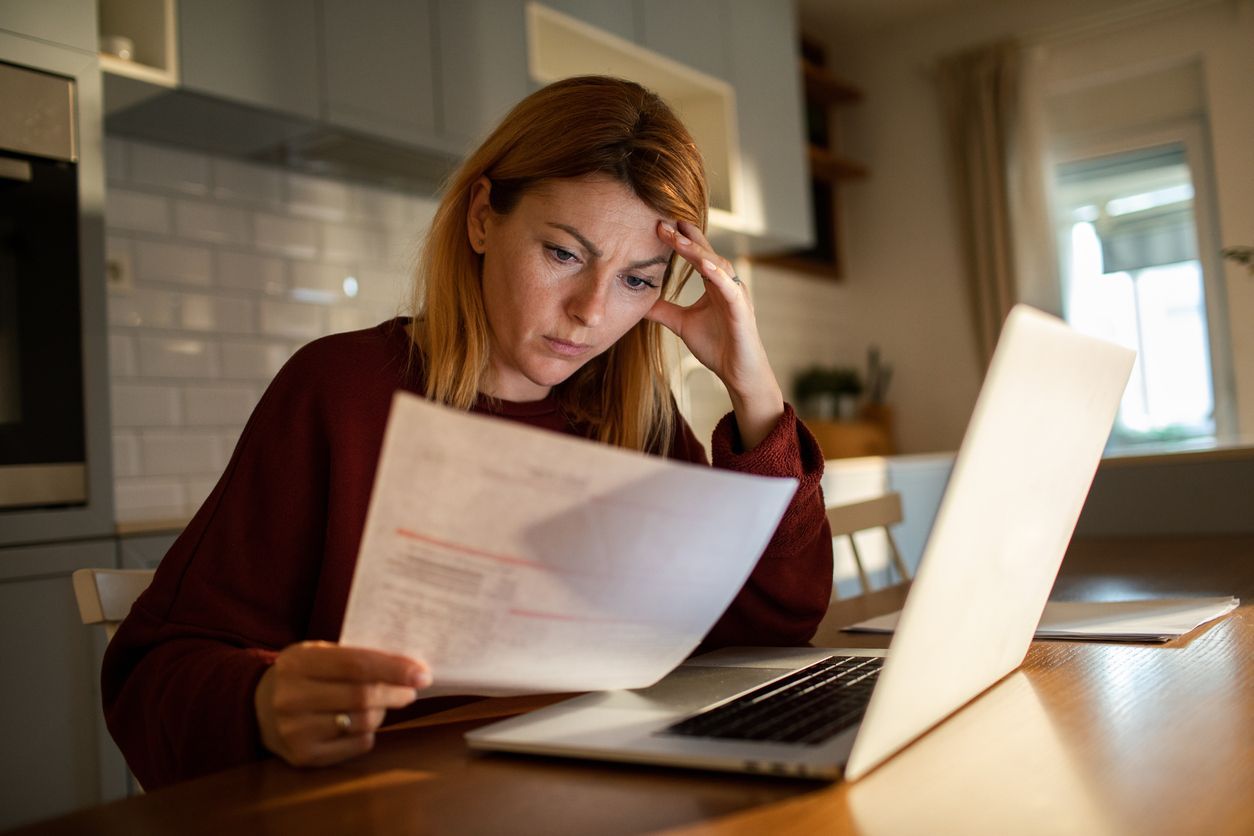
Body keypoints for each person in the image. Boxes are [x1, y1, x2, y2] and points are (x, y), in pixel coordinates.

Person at [102, 76, 834, 789]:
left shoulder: (635, 417)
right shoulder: (341, 390)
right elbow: (152, 676)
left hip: (608, 796)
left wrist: (753, 388)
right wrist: (263, 703)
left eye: (637, 281)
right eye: (564, 254)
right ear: (483, 216)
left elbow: (768, 633)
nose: (590, 311)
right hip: (390, 804)